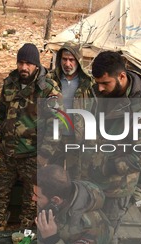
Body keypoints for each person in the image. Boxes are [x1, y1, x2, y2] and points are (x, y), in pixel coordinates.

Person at [0, 43, 62, 239]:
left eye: (28, 63)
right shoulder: (10, 82)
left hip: (32, 154)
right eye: (21, 63)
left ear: (36, 65)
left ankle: (27, 228)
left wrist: (44, 155)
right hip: (8, 151)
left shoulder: (48, 89)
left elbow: (56, 125)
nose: (24, 68)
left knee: (31, 196)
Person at [86, 51, 141, 233]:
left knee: (106, 237)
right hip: (92, 180)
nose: (100, 88)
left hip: (115, 190)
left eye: (105, 83)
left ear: (121, 76)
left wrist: (110, 167)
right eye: (98, 83)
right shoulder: (103, 95)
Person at [49, 42, 95, 179]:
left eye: (71, 60)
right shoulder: (51, 80)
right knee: (53, 175)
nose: (67, 64)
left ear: (78, 60)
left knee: (75, 176)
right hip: (54, 137)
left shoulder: (88, 83)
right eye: (64, 59)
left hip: (76, 139)